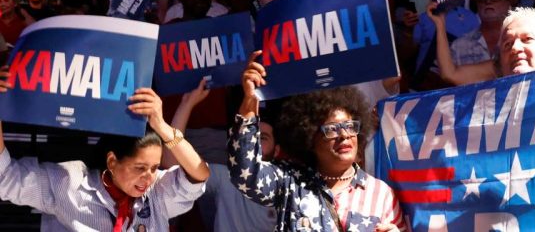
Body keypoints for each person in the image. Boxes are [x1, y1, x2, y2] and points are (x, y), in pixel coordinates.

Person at [0, 70, 210, 230]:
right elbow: (5, 178)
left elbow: (199, 174)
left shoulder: (156, 194)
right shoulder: (68, 184)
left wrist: (162, 126)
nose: (148, 177)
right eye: (140, 168)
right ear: (111, 161)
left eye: (155, 168)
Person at [229, 52, 407, 232]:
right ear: (310, 138)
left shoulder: (381, 194)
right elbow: (245, 175)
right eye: (331, 129)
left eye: (350, 126)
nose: (344, 135)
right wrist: (250, 102)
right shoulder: (290, 182)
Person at [165, 78, 279, 232]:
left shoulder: (289, 186)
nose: (255, 143)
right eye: (250, 136)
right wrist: (186, 104)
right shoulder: (225, 179)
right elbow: (171, 168)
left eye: (263, 138)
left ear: (277, 151)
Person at [430, 6, 535, 85]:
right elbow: (450, 74)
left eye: (527, 39)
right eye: (507, 44)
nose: (515, 48)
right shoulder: (486, 114)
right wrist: (440, 24)